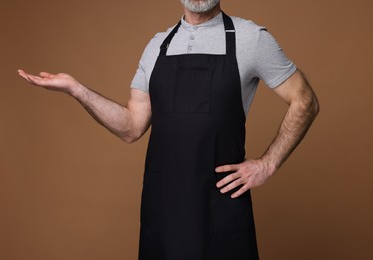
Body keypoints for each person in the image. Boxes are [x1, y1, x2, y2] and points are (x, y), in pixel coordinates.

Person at [18, 0, 319, 259]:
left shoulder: (251, 39)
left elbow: (305, 100)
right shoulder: (157, 46)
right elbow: (131, 126)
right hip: (163, 214)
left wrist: (267, 164)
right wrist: (77, 90)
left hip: (219, 209)